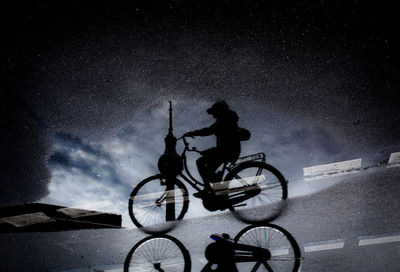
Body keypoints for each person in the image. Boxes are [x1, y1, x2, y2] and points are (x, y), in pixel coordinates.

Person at [184, 100, 244, 198]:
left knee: (201, 162)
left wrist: (193, 133)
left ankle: (210, 187)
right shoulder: (227, 119)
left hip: (228, 151)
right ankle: (216, 183)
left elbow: (209, 130)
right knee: (206, 165)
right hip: (227, 150)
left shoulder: (224, 120)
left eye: (214, 112)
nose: (213, 115)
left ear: (219, 111)